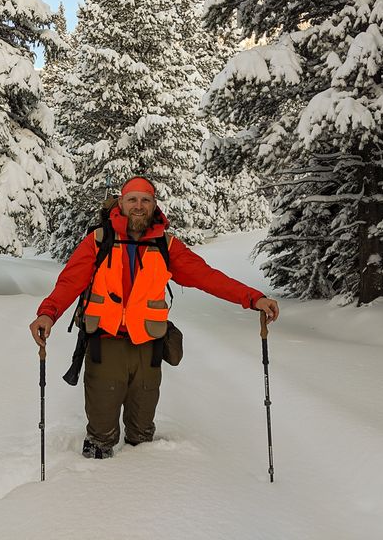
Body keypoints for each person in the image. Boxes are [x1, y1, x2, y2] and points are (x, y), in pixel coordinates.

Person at [29, 176, 279, 459]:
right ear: (121, 202)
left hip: (148, 347)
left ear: (154, 205)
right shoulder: (98, 241)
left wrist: (253, 298)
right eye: (132, 199)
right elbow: (69, 283)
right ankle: (95, 487)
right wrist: (47, 314)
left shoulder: (166, 246)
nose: (139, 206)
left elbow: (209, 278)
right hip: (104, 345)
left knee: (142, 432)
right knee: (101, 433)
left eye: (145, 200)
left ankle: (146, 479)